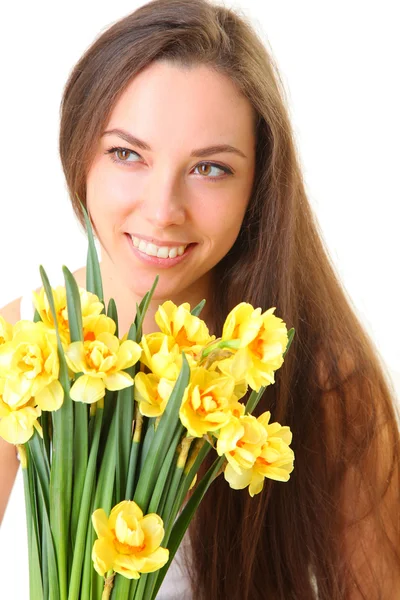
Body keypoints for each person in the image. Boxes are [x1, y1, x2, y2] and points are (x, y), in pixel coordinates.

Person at [1, 0, 399, 597]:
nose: (163, 211)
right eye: (127, 154)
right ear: (78, 153)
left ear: (257, 186)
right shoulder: (23, 349)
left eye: (210, 168)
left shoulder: (323, 382)